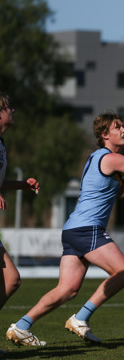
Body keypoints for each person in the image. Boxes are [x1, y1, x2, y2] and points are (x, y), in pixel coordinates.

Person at [6, 112, 124, 347]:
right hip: (87, 229)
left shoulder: (99, 158)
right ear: (104, 135)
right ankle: (81, 318)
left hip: (73, 229)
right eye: (117, 127)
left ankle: (21, 326)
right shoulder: (110, 158)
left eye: (123, 126)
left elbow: (113, 194)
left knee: (67, 290)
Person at [0, 93, 40, 313]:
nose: (12, 110)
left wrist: (22, 185)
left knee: (12, 279)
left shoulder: (2, 144)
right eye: (7, 108)